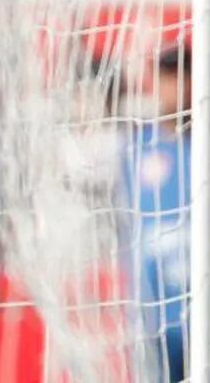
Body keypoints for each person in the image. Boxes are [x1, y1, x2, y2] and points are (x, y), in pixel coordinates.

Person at [122, 47, 191, 383]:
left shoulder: (200, 144)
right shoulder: (133, 146)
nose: (175, 86)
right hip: (153, 316)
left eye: (182, 76)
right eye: (167, 76)